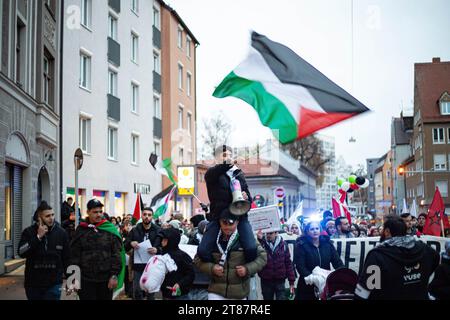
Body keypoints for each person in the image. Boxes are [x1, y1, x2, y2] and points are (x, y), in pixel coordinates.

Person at [355, 215, 440, 300]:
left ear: (387, 232)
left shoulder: (377, 256)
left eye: (383, 229)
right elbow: (436, 260)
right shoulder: (425, 249)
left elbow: (363, 292)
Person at [198, 145, 256, 264]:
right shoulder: (212, 173)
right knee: (203, 251)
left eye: (230, 155)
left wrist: (247, 198)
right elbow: (219, 169)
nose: (228, 157)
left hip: (240, 216)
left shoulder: (239, 174)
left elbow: (249, 199)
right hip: (218, 216)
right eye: (225, 155)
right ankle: (216, 268)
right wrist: (229, 163)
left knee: (251, 249)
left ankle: (244, 271)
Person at [194, 211, 267, 300]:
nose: (227, 227)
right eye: (224, 223)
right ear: (219, 222)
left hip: (239, 293)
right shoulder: (212, 239)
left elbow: (263, 257)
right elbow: (197, 259)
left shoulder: (246, 239)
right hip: (216, 291)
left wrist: (247, 269)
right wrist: (212, 268)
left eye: (231, 224)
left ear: (237, 222)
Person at [70, 199, 125, 300]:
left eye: (100, 211)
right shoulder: (81, 229)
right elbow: (74, 256)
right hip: (85, 280)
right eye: (95, 212)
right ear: (88, 212)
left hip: (105, 280)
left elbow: (116, 255)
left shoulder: (109, 229)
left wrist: (114, 275)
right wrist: (73, 278)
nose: (99, 214)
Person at [18, 201, 70, 300]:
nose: (51, 218)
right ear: (39, 218)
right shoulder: (28, 232)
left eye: (52, 215)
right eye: (47, 216)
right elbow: (21, 252)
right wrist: (38, 237)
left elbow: (67, 258)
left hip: (54, 284)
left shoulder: (61, 233)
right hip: (33, 284)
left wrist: (71, 279)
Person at [293, 221, 344, 300]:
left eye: (317, 228)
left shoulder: (328, 244)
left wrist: (342, 273)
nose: (315, 231)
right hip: (307, 284)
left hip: (325, 283)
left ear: (320, 230)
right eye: (312, 229)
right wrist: (313, 279)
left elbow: (337, 261)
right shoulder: (301, 245)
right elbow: (300, 266)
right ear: (307, 231)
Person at [124, 207, 160, 300]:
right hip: (138, 265)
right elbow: (125, 246)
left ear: (152, 217)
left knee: (150, 293)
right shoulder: (135, 230)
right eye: (144, 214)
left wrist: (157, 250)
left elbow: (163, 247)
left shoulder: (158, 230)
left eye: (149, 215)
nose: (147, 217)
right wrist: (131, 243)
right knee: (137, 291)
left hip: (152, 265)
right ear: (141, 216)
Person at [257, 229, 295, 300]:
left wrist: (291, 280)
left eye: (270, 233)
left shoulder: (283, 245)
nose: (268, 235)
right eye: (267, 233)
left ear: (276, 233)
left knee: (281, 298)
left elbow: (288, 263)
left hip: (280, 279)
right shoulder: (262, 244)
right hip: (266, 279)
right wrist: (259, 240)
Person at [158, 227, 195, 300]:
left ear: (171, 241)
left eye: (165, 240)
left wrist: (179, 284)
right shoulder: (162, 254)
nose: (162, 242)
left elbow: (191, 274)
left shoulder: (182, 256)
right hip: (166, 294)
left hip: (181, 295)